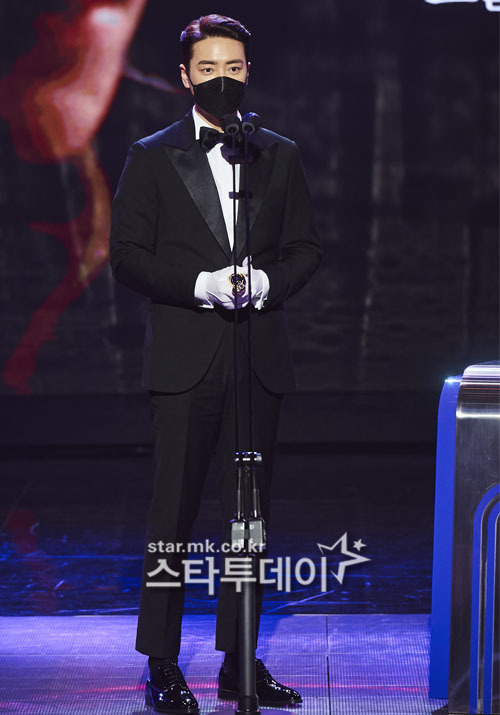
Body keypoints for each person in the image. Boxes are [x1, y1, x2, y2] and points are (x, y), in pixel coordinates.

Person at [109, 13, 321, 714]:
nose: (222, 78)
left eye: (233, 67)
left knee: (248, 521)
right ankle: (162, 663)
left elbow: (304, 248)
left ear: (248, 72)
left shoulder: (278, 154)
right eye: (208, 68)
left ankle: (240, 660)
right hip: (184, 360)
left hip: (255, 359)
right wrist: (198, 285)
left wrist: (267, 283)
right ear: (184, 76)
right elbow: (128, 256)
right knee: (173, 512)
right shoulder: (151, 155)